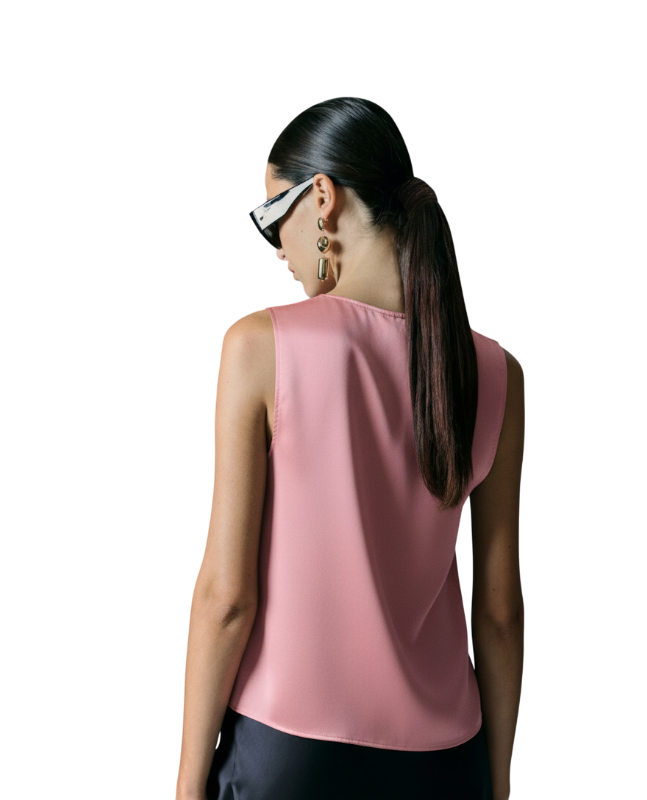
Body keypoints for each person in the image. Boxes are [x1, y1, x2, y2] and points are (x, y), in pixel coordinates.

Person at [177, 96, 523, 800]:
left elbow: (226, 598)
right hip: (445, 759)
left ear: (323, 199)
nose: (277, 247)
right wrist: (497, 782)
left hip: (289, 751)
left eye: (273, 214)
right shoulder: (497, 372)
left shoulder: (260, 344)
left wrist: (187, 786)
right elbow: (499, 612)